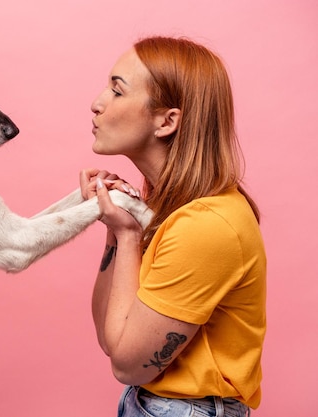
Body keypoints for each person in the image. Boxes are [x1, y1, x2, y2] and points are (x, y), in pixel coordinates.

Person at [79, 36, 266, 417]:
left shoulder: (206, 225)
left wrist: (130, 235)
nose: (97, 103)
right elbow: (110, 336)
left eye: (117, 91)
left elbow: (127, 364)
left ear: (167, 121)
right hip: (157, 404)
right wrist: (117, 227)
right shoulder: (169, 209)